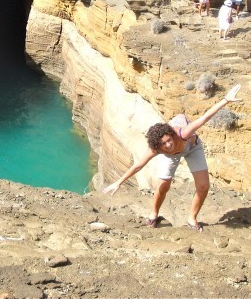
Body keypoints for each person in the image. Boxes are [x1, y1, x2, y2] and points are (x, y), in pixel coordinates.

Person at [103, 84, 243, 232]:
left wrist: (225, 100)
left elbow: (205, 118)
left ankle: (192, 218)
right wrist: (119, 182)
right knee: (163, 186)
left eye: (169, 140)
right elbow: (138, 165)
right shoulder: (156, 149)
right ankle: (154, 214)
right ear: (158, 146)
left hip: (192, 147)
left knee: (203, 187)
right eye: (164, 144)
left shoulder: (183, 133)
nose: (168, 144)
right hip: (170, 157)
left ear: (171, 135)